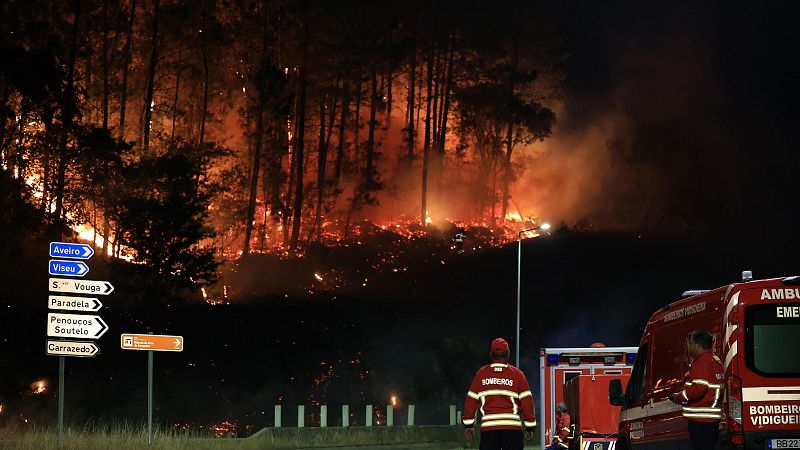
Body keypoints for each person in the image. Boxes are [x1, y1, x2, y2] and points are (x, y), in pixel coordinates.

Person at [462, 338, 536, 450]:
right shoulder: (518, 375)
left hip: (489, 429)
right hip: (512, 429)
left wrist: (468, 425)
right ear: (508, 354)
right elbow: (527, 402)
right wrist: (530, 426)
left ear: (491, 354)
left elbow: (471, 400)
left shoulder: (481, 374)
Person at [670, 330, 723, 450]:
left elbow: (698, 388)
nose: (688, 346)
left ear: (698, 346)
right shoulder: (714, 360)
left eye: (690, 343)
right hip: (710, 418)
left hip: (701, 420)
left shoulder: (702, 361)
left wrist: (679, 396)